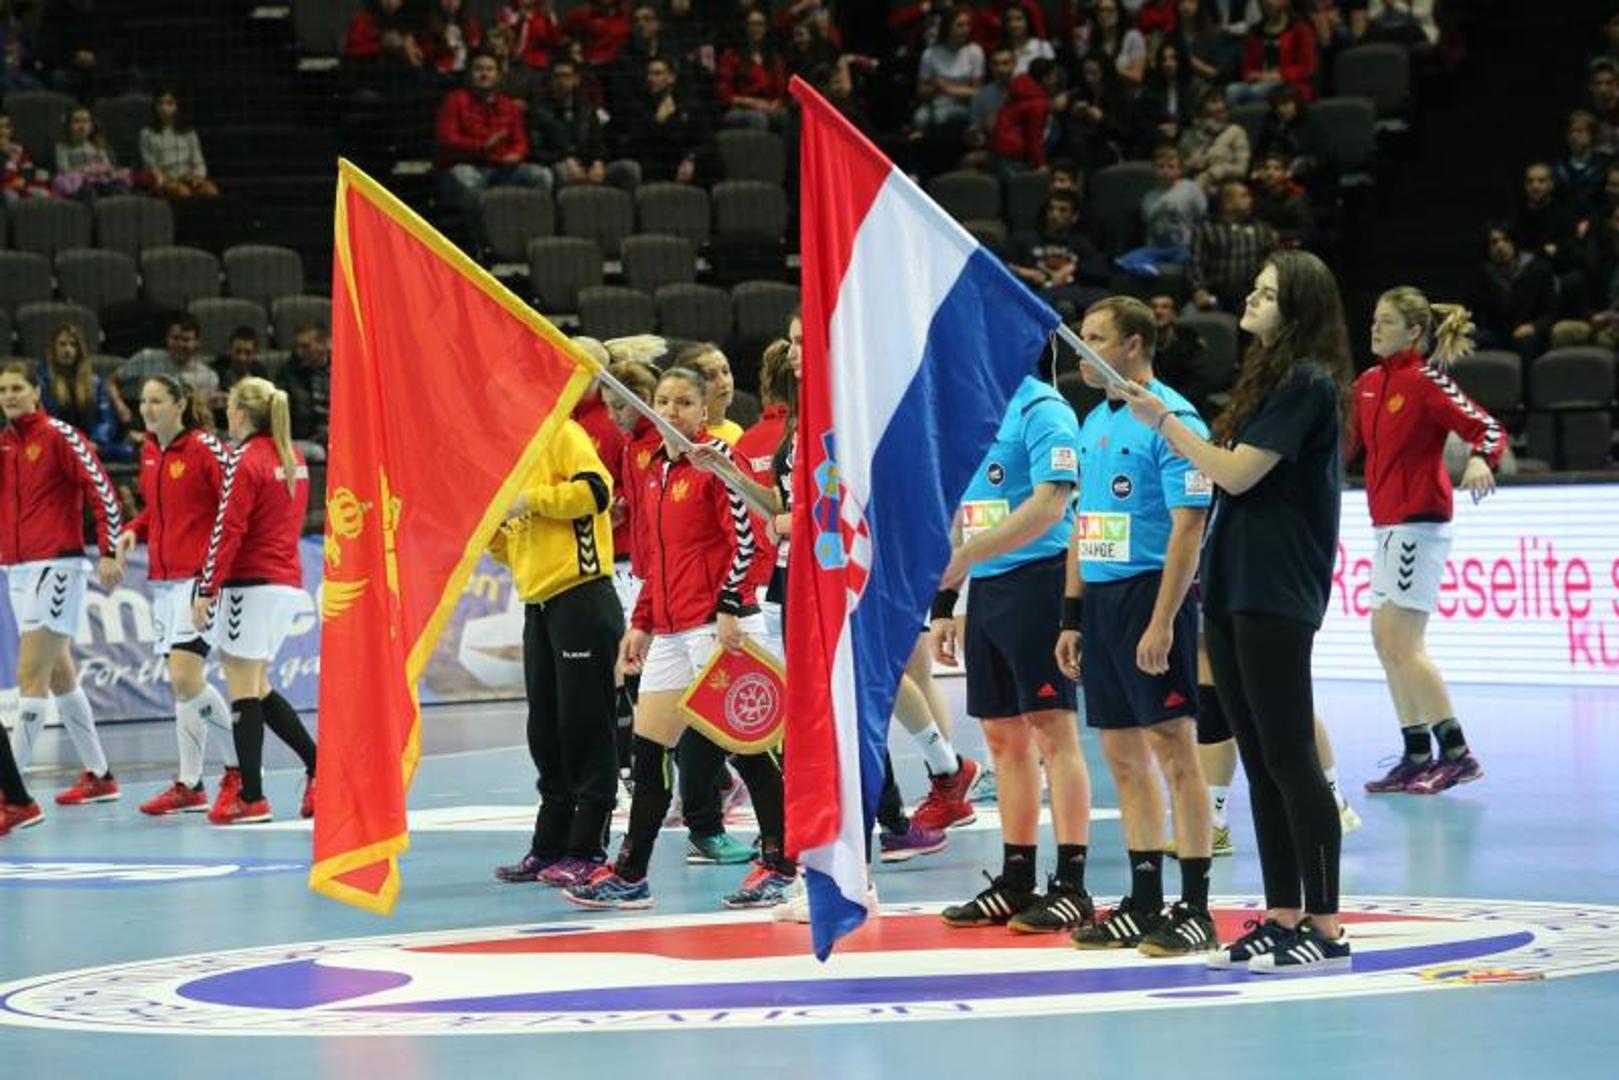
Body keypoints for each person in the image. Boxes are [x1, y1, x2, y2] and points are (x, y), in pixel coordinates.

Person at [1115, 250, 1352, 972]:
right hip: (1232, 583)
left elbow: (1237, 474)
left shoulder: (1308, 382)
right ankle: (1283, 916)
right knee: (1259, 760)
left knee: (1290, 757)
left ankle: (1326, 926)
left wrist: (1162, 420)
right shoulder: (1269, 377)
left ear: (1297, 308)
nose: (1249, 298)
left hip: (1276, 589)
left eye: (1265, 293)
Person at [564, 365, 795, 909]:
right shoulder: (652, 471)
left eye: (684, 402)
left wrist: (730, 606)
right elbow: (655, 559)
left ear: (704, 410)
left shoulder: (717, 460)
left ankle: (782, 865)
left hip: (719, 626)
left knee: (749, 751)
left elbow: (749, 543)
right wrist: (641, 622)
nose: (671, 411)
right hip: (669, 632)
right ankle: (631, 874)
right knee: (648, 754)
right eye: (664, 401)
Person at [1058, 296, 1215, 956]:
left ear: (1133, 346)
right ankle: (1144, 899)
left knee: (1175, 751)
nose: (1081, 350)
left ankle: (1196, 908)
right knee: (1122, 757)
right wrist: (1072, 616)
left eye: (1095, 338)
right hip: (1101, 605)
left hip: (1152, 596)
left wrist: (1163, 621)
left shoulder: (1174, 419)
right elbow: (1082, 524)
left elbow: (1189, 528)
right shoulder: (1094, 420)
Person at [931, 353, 1095, 936]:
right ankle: (1016, 878)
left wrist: (965, 558)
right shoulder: (976, 412)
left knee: (1052, 731)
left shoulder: (1043, 408)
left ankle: (1072, 886)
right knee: (1002, 736)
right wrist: (946, 602)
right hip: (990, 588)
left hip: (1039, 581)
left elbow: (1050, 506)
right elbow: (964, 505)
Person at [1352, 289, 1500, 796]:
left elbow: (1488, 429)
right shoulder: (1367, 384)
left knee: (1404, 643)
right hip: (1384, 524)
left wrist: (1479, 458)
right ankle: (1417, 753)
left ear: (1414, 332)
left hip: (1419, 522)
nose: (1375, 328)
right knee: (1384, 641)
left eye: (1387, 322)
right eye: (1374, 319)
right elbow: (1346, 447)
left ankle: (1457, 755)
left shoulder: (1426, 381)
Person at [489, 414, 624, 888]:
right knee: (545, 730)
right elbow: (515, 547)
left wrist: (530, 500)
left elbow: (597, 492)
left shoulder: (562, 434)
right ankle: (549, 845)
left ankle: (587, 848)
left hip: (580, 595)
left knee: (585, 725)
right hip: (539, 604)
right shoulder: (510, 455)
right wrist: (492, 532)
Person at [192, 378, 317, 825]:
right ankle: (320, 767)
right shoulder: (293, 456)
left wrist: (207, 588)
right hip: (285, 581)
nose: (225, 414)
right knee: (258, 685)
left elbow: (229, 529)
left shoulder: (243, 459)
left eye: (228, 407)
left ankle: (251, 797)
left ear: (241, 413)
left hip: (252, 582)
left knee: (242, 687)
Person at [0, 361, 124, 807]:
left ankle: (12, 796)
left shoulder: (59, 435)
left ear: (37, 392)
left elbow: (101, 488)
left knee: (29, 676)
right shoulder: (4, 445)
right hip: (17, 570)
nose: (9, 396)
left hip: (57, 565)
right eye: (2, 390)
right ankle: (100, 775)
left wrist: (109, 548)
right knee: (58, 674)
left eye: (17, 388)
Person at [119, 376, 239, 816]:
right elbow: (159, 511)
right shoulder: (150, 452)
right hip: (165, 581)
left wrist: (214, 576)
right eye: (143, 401)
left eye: (157, 401)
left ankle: (240, 769)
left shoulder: (206, 448)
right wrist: (134, 529)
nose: (147, 409)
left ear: (180, 405)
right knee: (182, 686)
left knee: (186, 678)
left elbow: (234, 506)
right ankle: (190, 784)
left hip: (199, 578)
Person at [434, 51, 550, 229]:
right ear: (469, 74)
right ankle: (485, 237)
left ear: (498, 75)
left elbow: (520, 141)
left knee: (541, 176)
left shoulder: (509, 106)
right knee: (468, 180)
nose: (484, 74)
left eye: (489, 69)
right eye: (479, 69)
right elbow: (447, 139)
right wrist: (482, 147)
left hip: (502, 168)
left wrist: (516, 154)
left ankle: (530, 230)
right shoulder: (455, 100)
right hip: (465, 165)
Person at [38, 324, 129, 464]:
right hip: (57, 446)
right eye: (62, 344)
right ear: (53, 348)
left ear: (79, 350)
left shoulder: (95, 382)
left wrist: (96, 442)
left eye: (73, 345)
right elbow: (43, 419)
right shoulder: (43, 381)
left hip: (90, 445)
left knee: (128, 451)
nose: (67, 350)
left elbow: (106, 419)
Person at [1189, 180, 1279, 314]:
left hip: (1252, 297)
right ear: (1228, 203)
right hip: (1215, 296)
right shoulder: (1206, 230)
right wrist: (1199, 290)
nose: (1250, 200)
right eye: (1244, 196)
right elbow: (1195, 263)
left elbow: (1273, 262)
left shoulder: (1262, 229)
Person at [138, 87, 218, 198]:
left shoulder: (188, 132)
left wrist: (197, 177)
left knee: (210, 190)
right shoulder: (147, 133)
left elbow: (198, 161)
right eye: (160, 103)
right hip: (164, 179)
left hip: (188, 177)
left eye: (169, 103)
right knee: (182, 192)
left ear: (177, 106)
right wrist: (164, 180)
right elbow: (150, 166)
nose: (164, 108)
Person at [52, 104, 130, 201]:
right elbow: (64, 170)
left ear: (91, 125)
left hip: (101, 181)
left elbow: (107, 166)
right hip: (78, 184)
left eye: (85, 121)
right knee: (89, 192)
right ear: (68, 125)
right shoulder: (63, 147)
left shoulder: (97, 146)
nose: (82, 126)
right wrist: (85, 170)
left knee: (119, 189)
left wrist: (103, 170)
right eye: (76, 121)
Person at [283, 325, 331, 462]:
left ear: (323, 345)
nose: (300, 352)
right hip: (307, 439)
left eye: (305, 347)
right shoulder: (289, 374)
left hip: (336, 435)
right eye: (297, 347)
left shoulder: (340, 369)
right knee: (317, 452)